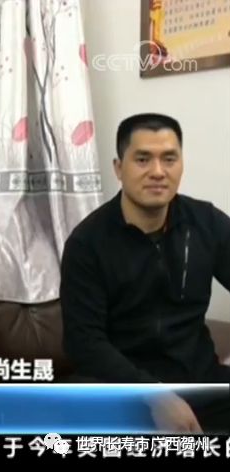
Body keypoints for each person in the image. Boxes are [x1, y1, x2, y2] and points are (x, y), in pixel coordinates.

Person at [60, 113, 230, 432]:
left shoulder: (206, 222)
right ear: (118, 168)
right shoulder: (87, 243)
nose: (158, 172)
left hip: (201, 383)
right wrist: (156, 396)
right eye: (142, 159)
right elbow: (84, 342)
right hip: (124, 391)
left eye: (169, 159)